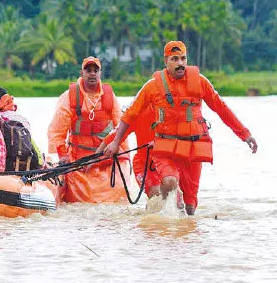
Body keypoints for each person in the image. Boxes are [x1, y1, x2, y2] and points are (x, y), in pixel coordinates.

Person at [99, 41, 258, 215]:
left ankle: (181, 229)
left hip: (193, 149)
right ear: (166, 61)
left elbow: (221, 108)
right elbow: (128, 116)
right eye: (175, 59)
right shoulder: (152, 86)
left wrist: (245, 134)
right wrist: (114, 143)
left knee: (190, 208)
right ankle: (167, 221)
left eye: (183, 58)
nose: (180, 63)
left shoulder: (200, 82)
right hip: (165, 149)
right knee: (169, 181)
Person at [47, 56, 130, 203]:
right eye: (88, 70)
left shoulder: (110, 97)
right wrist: (63, 156)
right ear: (82, 73)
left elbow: (121, 129)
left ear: (100, 73)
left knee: (119, 192)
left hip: (106, 160)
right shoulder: (70, 97)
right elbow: (56, 131)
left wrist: (124, 155)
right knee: (82, 198)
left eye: (95, 70)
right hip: (79, 160)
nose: (92, 73)